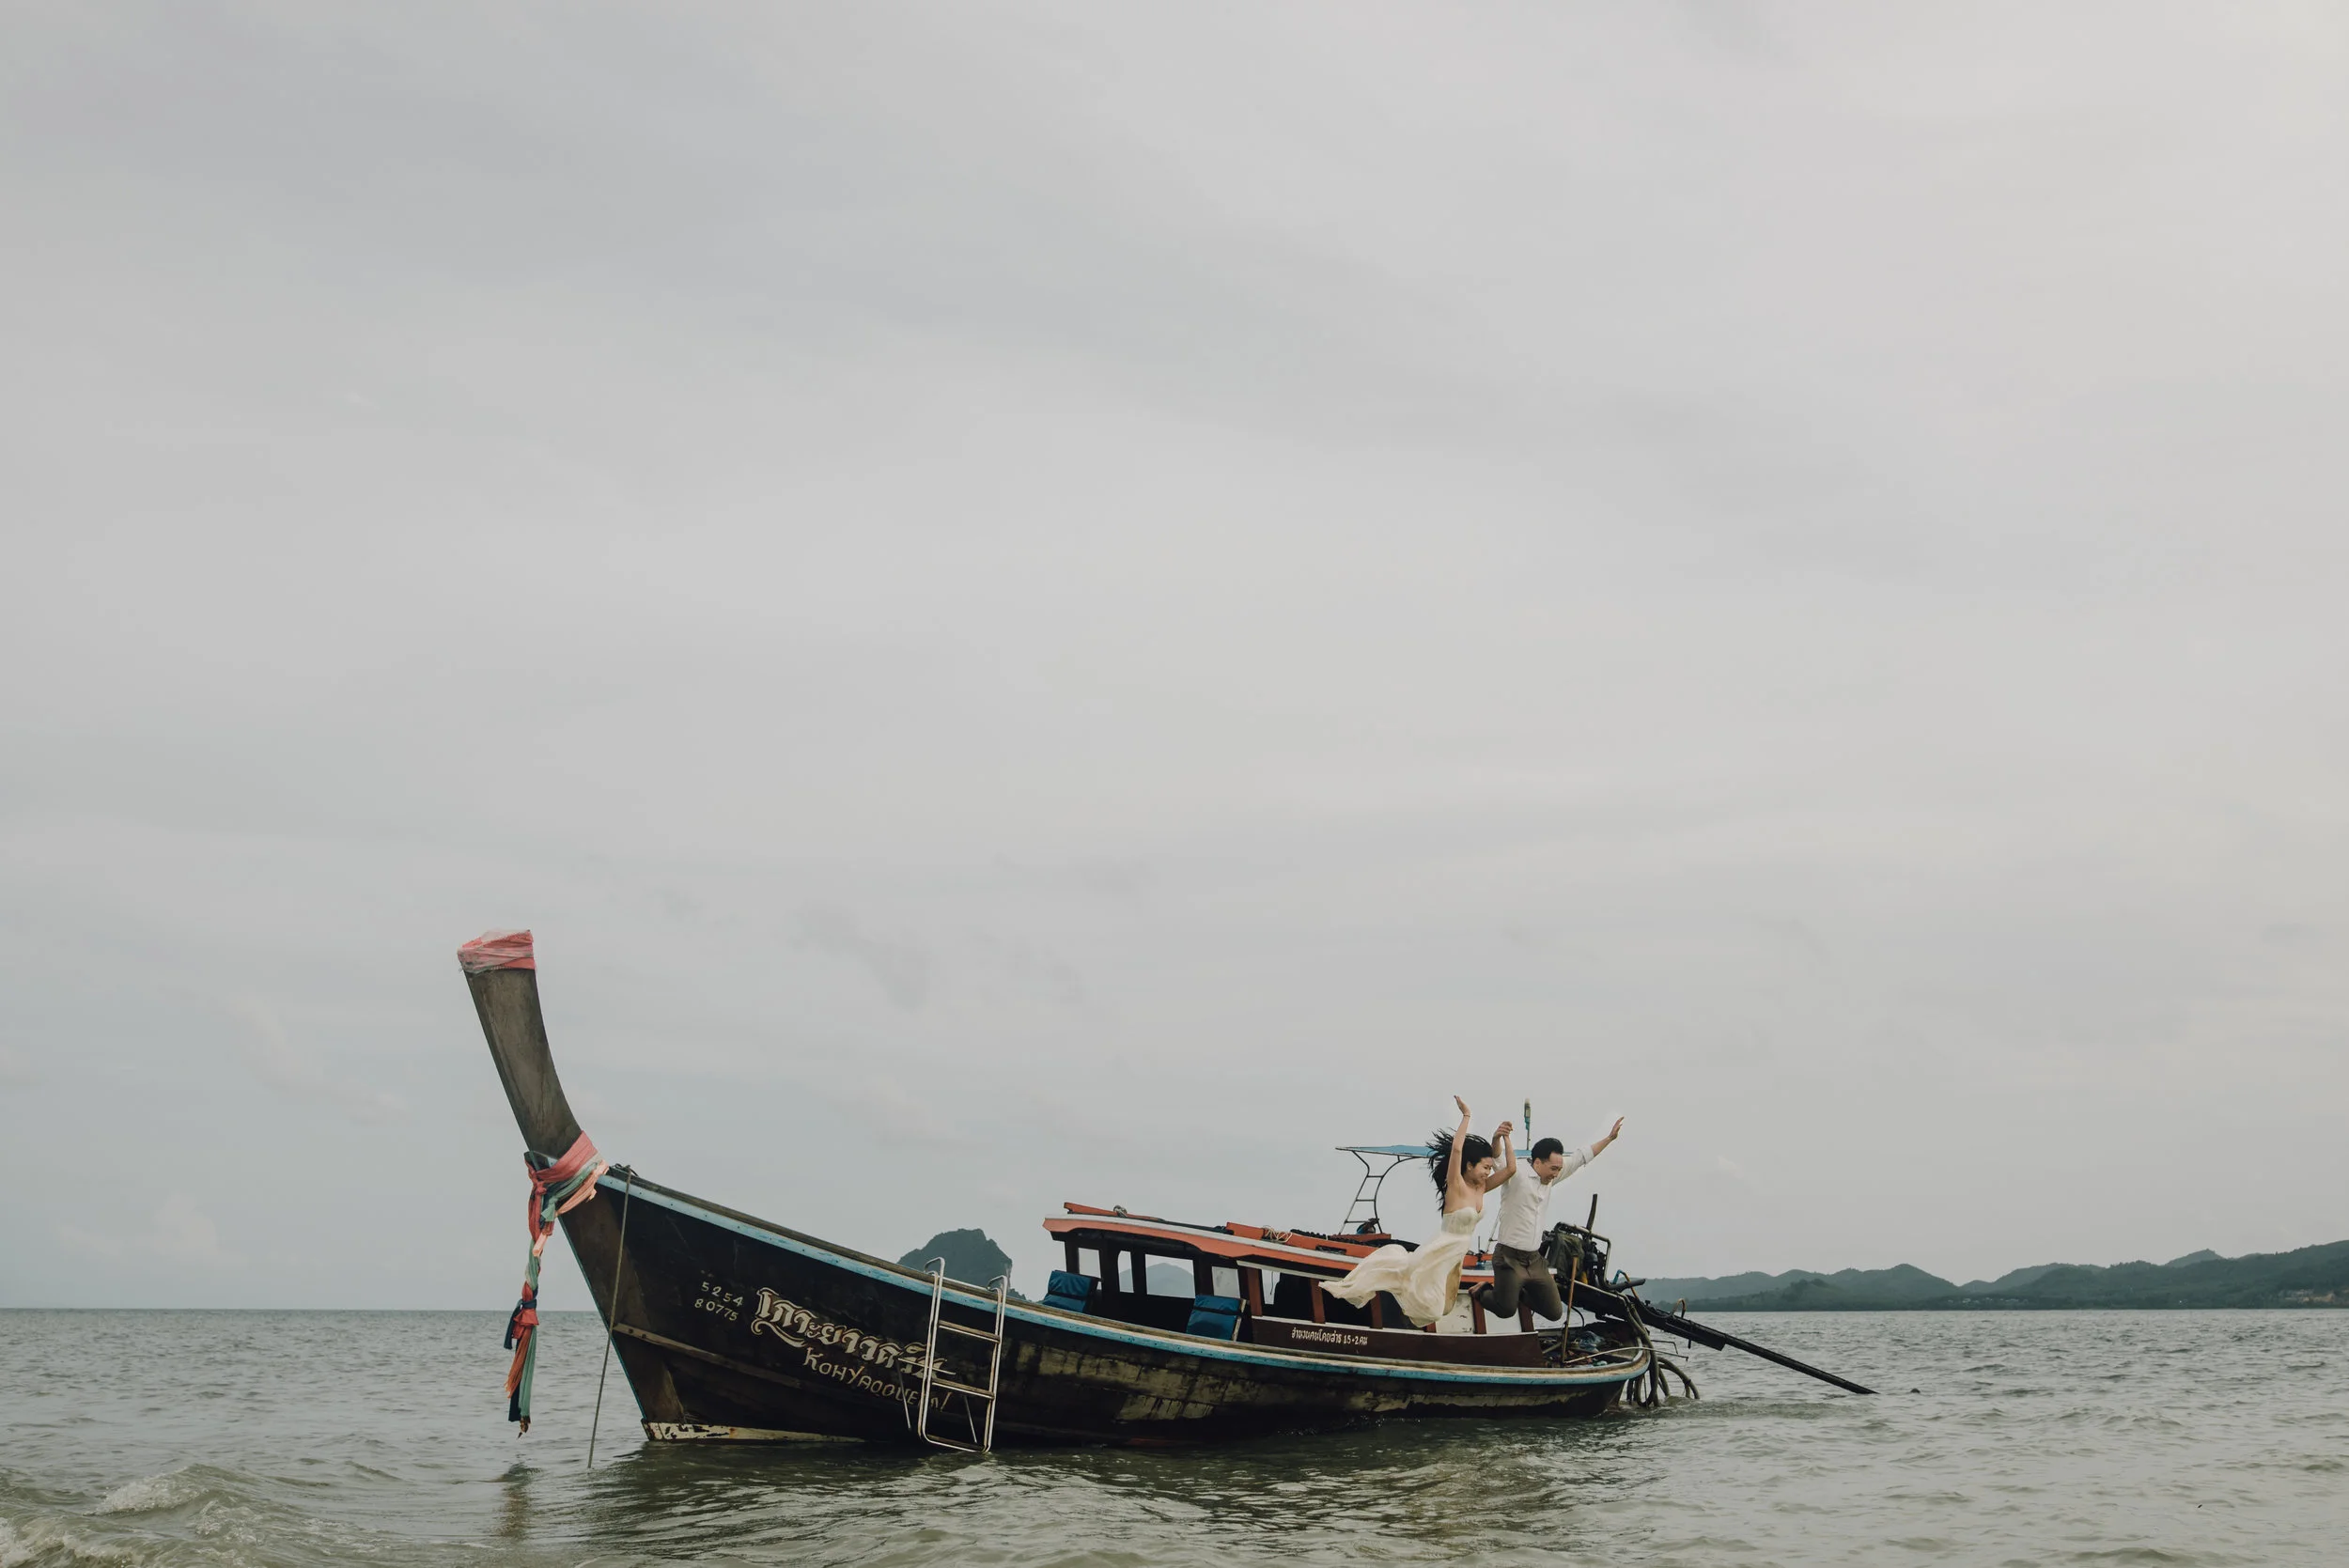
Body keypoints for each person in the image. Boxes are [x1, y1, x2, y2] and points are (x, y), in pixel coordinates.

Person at [1327, 1097, 1515, 1327]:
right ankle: (1399, 1295)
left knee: (1446, 1308)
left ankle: (1405, 1293)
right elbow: (1457, 1149)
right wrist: (1467, 1116)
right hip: (1441, 1249)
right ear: (1468, 1165)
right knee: (1432, 1308)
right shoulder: (1456, 1186)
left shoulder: (1482, 1189)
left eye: (1489, 1168)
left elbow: (1511, 1169)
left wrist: (1504, 1137)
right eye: (1485, 1167)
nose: (1488, 1171)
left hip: (1457, 1255)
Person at [1480, 1117, 1625, 1322]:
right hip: (1509, 1258)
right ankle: (1482, 1291)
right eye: (1553, 1169)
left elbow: (1581, 1157)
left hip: (1534, 1260)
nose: (1557, 1174)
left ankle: (1516, 1293)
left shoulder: (1551, 1175)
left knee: (1554, 1312)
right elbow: (1497, 1158)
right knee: (1505, 1310)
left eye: (1559, 1169)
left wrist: (1609, 1138)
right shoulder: (1516, 1173)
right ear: (1538, 1162)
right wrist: (1496, 1137)